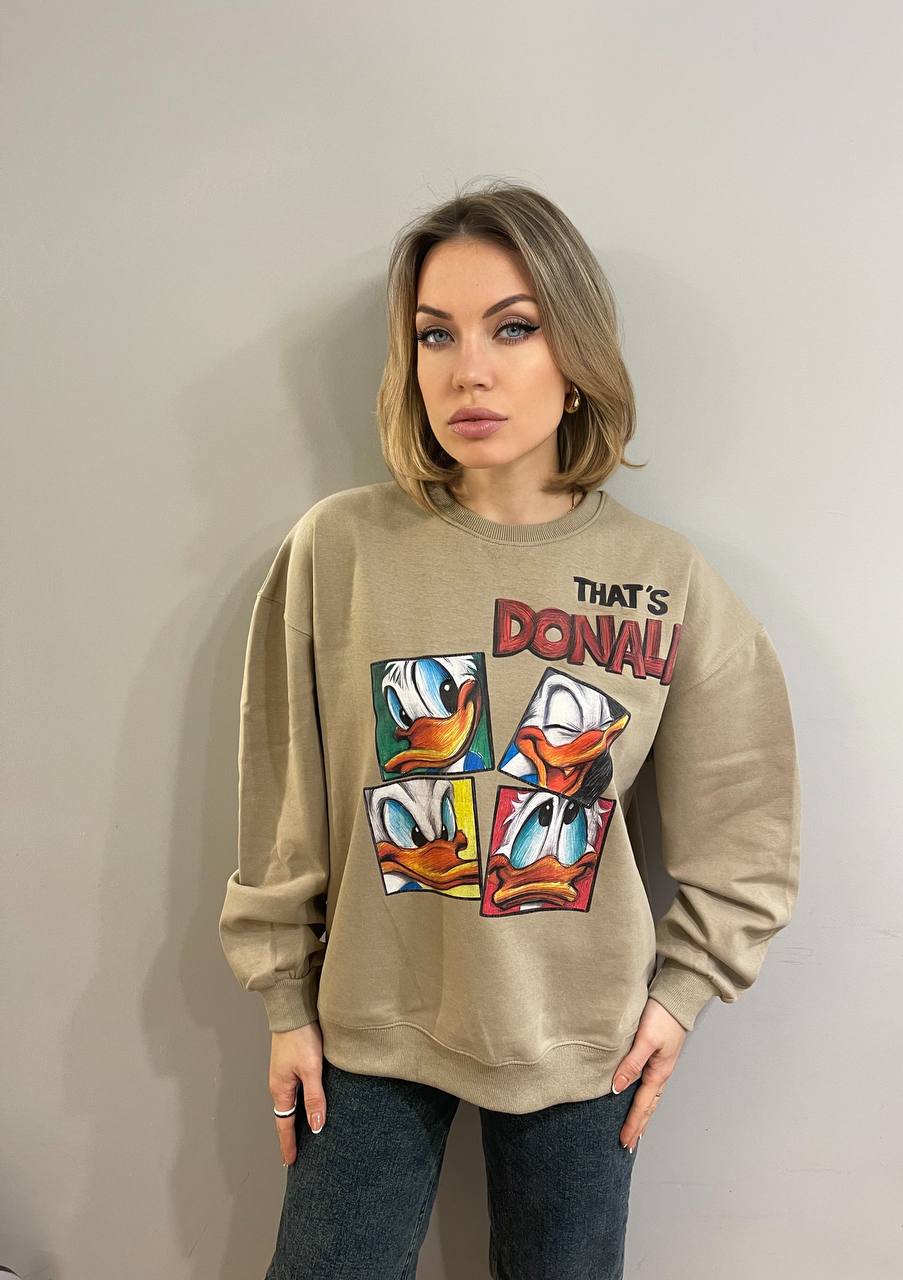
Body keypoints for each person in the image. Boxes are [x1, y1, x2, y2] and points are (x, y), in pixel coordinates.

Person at [218, 178, 802, 1280]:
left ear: (575, 357)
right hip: (370, 1024)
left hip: (584, 1046)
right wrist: (284, 997)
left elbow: (748, 818)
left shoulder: (664, 577)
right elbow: (281, 788)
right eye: (435, 333)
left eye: (514, 327)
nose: (468, 370)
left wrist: (683, 994)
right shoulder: (341, 547)